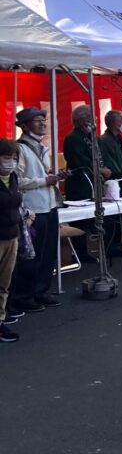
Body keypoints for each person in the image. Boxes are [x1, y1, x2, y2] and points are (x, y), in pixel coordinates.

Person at [11, 108, 63, 311]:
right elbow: (16, 180)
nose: (43, 123)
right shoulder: (20, 148)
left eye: (44, 120)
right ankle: (24, 296)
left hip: (48, 205)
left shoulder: (42, 148)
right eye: (37, 120)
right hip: (33, 209)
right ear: (24, 125)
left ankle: (41, 291)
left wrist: (50, 177)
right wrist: (44, 180)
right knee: (32, 255)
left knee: (48, 252)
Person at [63, 105, 115, 262]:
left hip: (95, 183)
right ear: (80, 121)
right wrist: (99, 169)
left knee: (98, 215)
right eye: (90, 119)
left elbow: (99, 156)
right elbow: (81, 161)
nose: (94, 122)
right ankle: (79, 253)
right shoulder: (73, 138)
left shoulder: (93, 137)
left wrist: (104, 169)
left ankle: (103, 248)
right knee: (79, 220)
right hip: (80, 184)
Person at [0, 140, 25, 342]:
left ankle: (0, 322)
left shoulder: (13, 177)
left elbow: (16, 203)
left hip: (12, 234)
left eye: (14, 158)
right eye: (7, 157)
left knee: (4, 283)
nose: (11, 162)